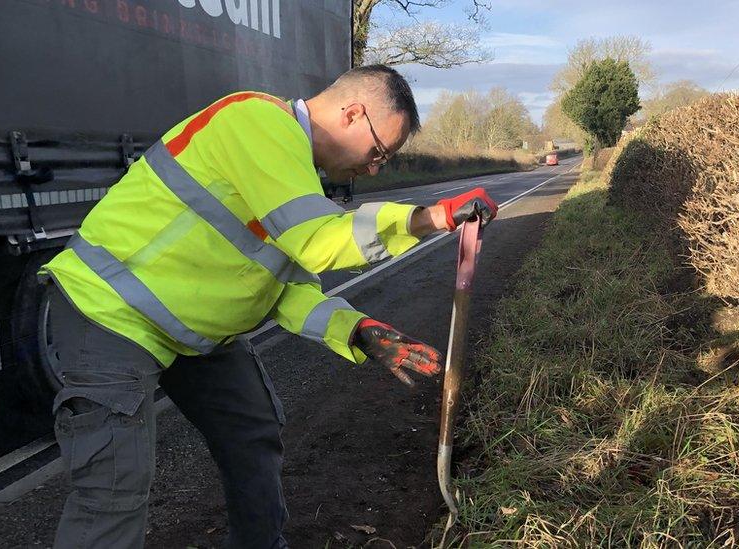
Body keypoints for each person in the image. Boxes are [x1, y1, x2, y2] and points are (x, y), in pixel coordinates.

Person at [39, 64, 498, 548]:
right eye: (378, 152)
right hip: (109, 312)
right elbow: (320, 243)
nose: (374, 168)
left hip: (190, 332)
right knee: (114, 487)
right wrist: (430, 218)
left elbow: (286, 289)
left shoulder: (293, 172)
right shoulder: (258, 121)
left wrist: (355, 329)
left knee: (252, 431)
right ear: (353, 113)